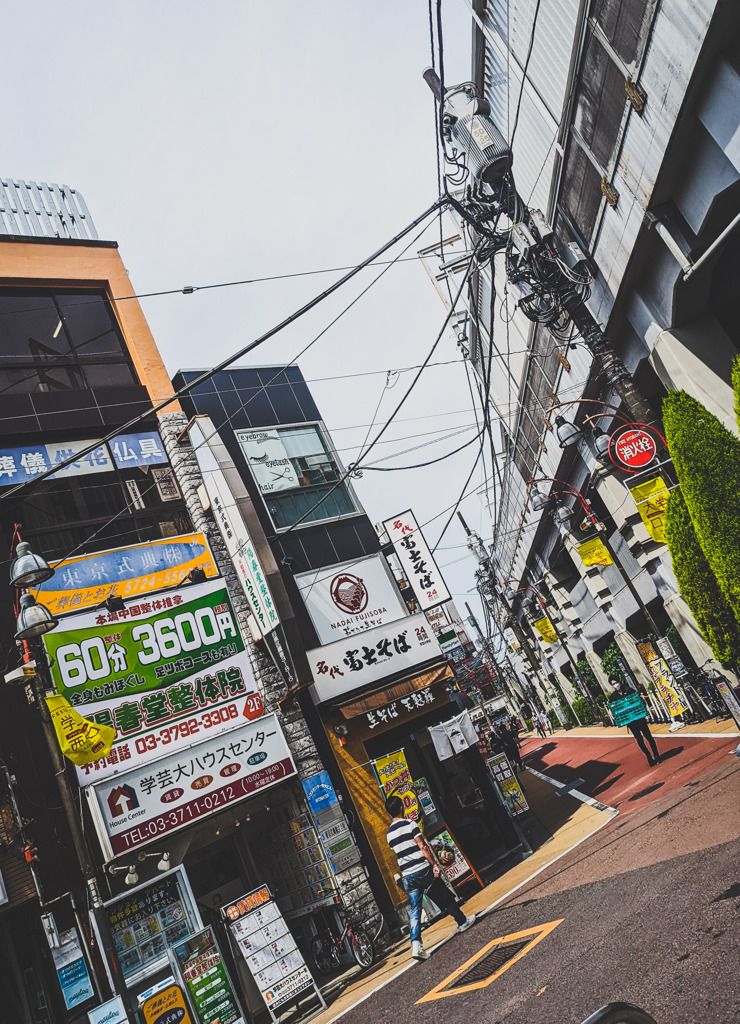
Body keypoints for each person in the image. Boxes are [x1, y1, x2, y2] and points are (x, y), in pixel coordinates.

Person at [385, 795, 475, 961]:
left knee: (415, 910)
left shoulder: (389, 834)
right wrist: (434, 864)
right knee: (444, 896)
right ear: (401, 807)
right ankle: (462, 921)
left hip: (408, 876)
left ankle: (416, 946)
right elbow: (423, 847)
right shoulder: (410, 825)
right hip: (422, 870)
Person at [608, 675, 662, 767]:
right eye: (613, 684)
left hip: (639, 718)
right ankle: (649, 757)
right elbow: (611, 708)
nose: (615, 685)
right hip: (630, 722)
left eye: (616, 683)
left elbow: (639, 697)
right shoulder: (613, 697)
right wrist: (610, 713)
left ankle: (656, 755)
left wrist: (642, 699)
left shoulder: (629, 690)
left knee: (648, 737)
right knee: (639, 740)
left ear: (619, 681)